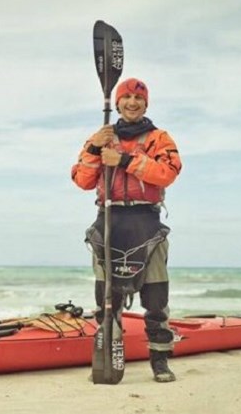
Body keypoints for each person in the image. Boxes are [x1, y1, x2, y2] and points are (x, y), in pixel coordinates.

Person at [71, 77, 182, 383]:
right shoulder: (100, 137)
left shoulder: (160, 138)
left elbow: (167, 173)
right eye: (127, 97)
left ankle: (160, 361)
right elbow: (82, 180)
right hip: (109, 220)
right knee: (106, 298)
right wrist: (95, 148)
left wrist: (122, 160)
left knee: (156, 298)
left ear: (146, 104)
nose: (132, 102)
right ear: (117, 103)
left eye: (139, 98)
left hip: (147, 222)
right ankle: (107, 353)